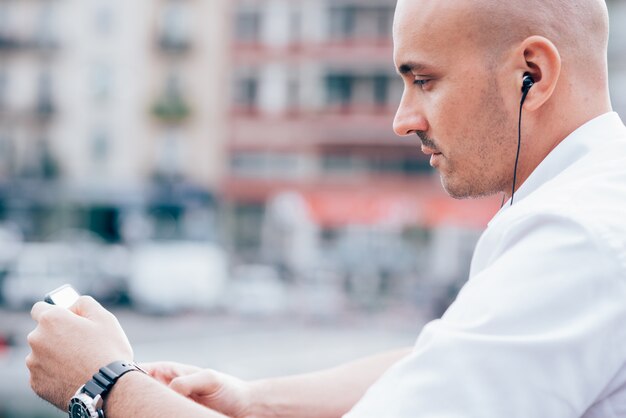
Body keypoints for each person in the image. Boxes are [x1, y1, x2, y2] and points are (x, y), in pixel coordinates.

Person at [27, 0, 626, 416]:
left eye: (424, 80)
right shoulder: (597, 201)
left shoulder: (575, 238)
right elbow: (456, 356)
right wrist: (256, 400)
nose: (402, 120)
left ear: (532, 73)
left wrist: (102, 384)